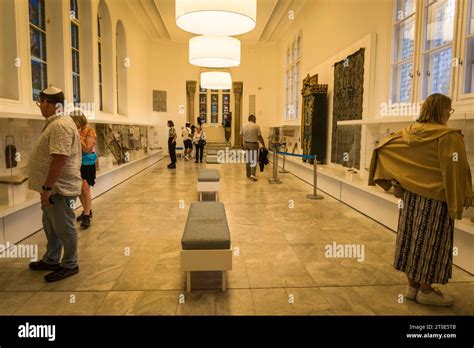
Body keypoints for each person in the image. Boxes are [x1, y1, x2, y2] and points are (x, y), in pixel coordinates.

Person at [369, 93, 472, 307]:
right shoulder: (448, 136)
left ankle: (412, 287)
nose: (449, 114)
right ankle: (426, 290)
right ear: (442, 111)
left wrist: (396, 184)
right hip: (436, 200)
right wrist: (460, 201)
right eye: (449, 110)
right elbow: (455, 172)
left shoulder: (409, 132)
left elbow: (383, 149)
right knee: (431, 244)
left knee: (411, 239)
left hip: (411, 198)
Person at [27, 86, 82, 282]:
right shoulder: (57, 123)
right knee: (51, 226)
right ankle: (51, 259)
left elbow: (59, 158)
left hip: (59, 189)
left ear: (48, 104)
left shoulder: (60, 125)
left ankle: (70, 263)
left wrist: (48, 188)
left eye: (40, 103)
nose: (40, 107)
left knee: (64, 227)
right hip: (52, 189)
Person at [71, 112, 97, 230]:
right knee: (80, 189)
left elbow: (87, 149)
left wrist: (79, 137)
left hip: (87, 163)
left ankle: (86, 216)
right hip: (77, 162)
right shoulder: (74, 130)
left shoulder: (89, 131)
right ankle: (87, 210)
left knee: (85, 189)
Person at [240, 114, 266, 181]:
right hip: (253, 144)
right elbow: (260, 137)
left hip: (246, 144)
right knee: (253, 160)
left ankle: (248, 175)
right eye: (255, 119)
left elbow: (241, 136)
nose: (255, 120)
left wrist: (241, 145)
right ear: (253, 119)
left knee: (248, 160)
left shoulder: (244, 125)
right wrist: (263, 145)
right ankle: (252, 175)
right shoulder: (256, 126)